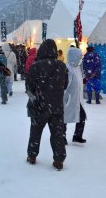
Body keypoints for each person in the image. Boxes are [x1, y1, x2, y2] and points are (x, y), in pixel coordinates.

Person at [25, 39, 68, 170]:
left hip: (40, 105)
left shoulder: (35, 66)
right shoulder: (62, 66)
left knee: (36, 131)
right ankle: (59, 159)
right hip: (57, 106)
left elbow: (29, 87)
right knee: (57, 133)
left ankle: (32, 156)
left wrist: (37, 95)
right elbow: (65, 85)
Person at [63, 47, 87, 144]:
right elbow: (65, 85)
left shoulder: (77, 67)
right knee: (65, 118)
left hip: (78, 99)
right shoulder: (68, 69)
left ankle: (77, 136)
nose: (80, 58)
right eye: (79, 56)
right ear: (74, 56)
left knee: (82, 116)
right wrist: (66, 97)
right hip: (69, 99)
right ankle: (62, 137)